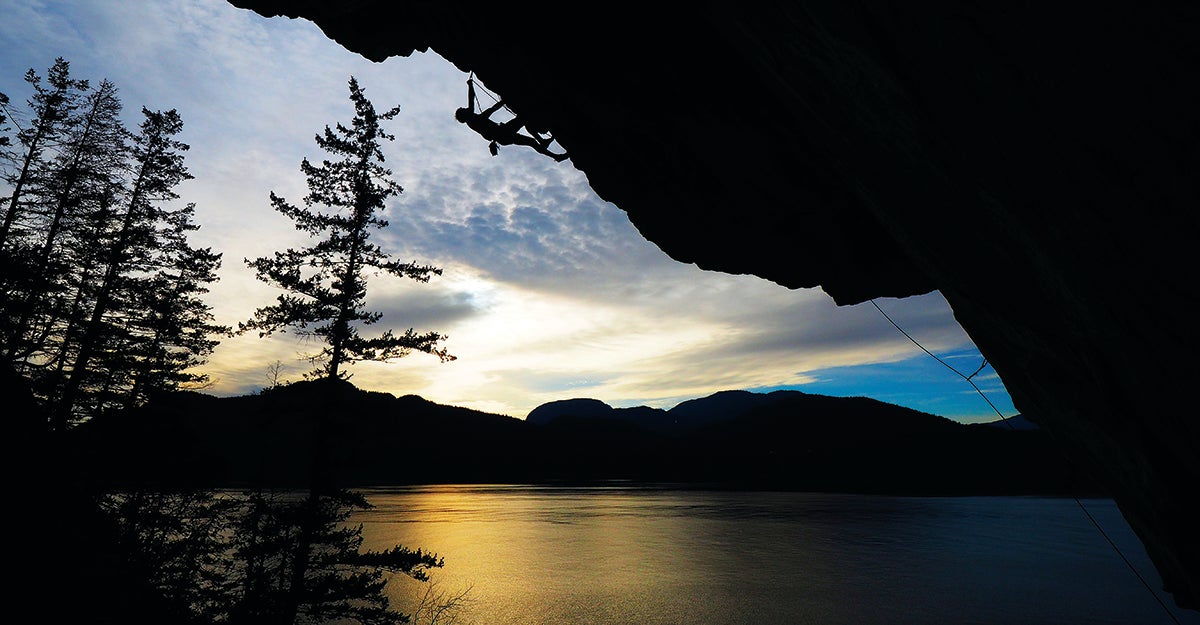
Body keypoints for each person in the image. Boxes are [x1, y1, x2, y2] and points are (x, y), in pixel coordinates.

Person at [455, 79, 569, 162]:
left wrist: (471, 86)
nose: (465, 108)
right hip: (504, 132)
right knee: (524, 118)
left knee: (530, 140)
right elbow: (477, 105)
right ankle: (545, 145)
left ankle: (555, 156)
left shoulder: (473, 121)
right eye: (464, 110)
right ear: (464, 115)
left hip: (503, 136)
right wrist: (470, 85)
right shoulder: (473, 120)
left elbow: (478, 105)